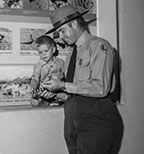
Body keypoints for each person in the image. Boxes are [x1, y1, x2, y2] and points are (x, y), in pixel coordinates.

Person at [41, 5, 124, 154]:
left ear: (73, 24)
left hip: (96, 121)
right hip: (72, 120)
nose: (60, 37)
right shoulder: (70, 54)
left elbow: (100, 88)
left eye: (62, 31)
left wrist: (63, 85)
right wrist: (55, 92)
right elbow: (73, 91)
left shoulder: (99, 46)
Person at [30, 35, 67, 107]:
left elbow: (66, 77)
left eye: (46, 51)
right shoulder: (38, 66)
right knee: (34, 101)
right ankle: (43, 101)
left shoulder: (61, 63)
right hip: (44, 92)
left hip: (57, 91)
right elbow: (35, 79)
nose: (43, 54)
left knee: (65, 97)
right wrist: (33, 87)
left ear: (53, 50)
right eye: (40, 52)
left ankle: (55, 101)